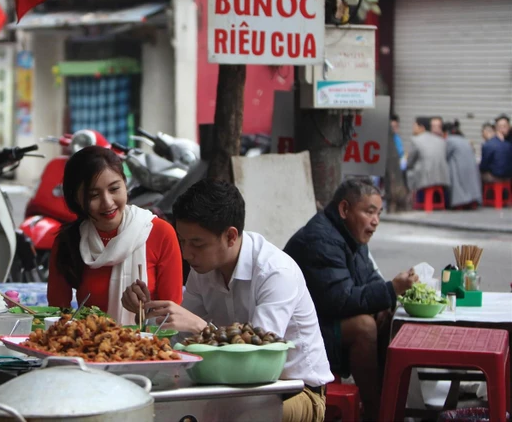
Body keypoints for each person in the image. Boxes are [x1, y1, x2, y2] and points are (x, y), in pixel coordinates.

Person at [122, 179, 333, 422]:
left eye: (197, 243)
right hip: (231, 387)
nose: (187, 253)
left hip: (294, 390)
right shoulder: (202, 270)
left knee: (240, 417)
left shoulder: (275, 271)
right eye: (182, 241)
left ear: (231, 236)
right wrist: (147, 315)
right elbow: (180, 343)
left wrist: (201, 328)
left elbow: (258, 358)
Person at [284, 179, 418, 422]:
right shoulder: (321, 240)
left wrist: (389, 294)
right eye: (369, 212)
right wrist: (391, 289)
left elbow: (370, 280)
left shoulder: (352, 236)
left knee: (388, 316)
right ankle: (376, 411)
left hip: (325, 320)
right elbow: (339, 300)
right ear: (344, 210)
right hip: (298, 331)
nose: (375, 221)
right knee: (363, 326)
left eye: (378, 213)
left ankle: (389, 404)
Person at [47, 146, 183, 324]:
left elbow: (172, 316)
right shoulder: (69, 241)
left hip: (151, 346)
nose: (107, 203)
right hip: (87, 347)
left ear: (125, 185)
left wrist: (143, 312)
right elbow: (58, 314)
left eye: (114, 189)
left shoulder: (159, 233)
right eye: (94, 195)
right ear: (76, 199)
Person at [406, 117, 450, 197]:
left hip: (425, 178)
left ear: (421, 128)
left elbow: (410, 161)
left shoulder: (416, 140)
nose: (413, 128)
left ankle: (409, 199)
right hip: (442, 177)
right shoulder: (441, 140)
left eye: (414, 126)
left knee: (408, 172)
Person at [443, 121, 482, 209]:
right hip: (472, 168)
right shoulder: (464, 140)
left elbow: (445, 155)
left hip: (459, 168)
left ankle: (459, 203)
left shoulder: (449, 141)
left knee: (457, 183)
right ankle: (473, 202)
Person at [480, 116, 512, 183]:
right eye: (500, 127)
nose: (502, 129)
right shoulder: (507, 143)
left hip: (497, 178)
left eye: (505, 126)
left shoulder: (489, 144)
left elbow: (484, 166)